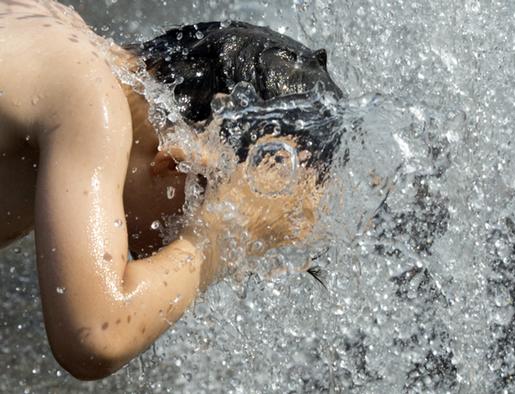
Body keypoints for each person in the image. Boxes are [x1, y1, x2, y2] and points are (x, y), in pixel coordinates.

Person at [0, 0, 343, 380]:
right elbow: (95, 336)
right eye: (218, 203)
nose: (168, 248)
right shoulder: (91, 105)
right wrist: (210, 240)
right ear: (182, 159)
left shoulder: (49, 21)